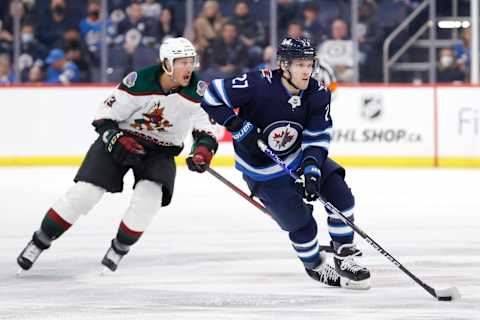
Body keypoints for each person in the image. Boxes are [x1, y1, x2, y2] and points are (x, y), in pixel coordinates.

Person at [17, 37, 218, 273]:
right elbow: (104, 116)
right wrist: (117, 138)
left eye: (190, 62)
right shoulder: (138, 82)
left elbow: (206, 129)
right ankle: (40, 240)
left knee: (149, 198)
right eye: (181, 62)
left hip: (161, 151)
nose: (188, 68)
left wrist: (202, 151)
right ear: (166, 64)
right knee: (84, 194)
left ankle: (120, 247)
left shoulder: (198, 92)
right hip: (122, 141)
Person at [200, 37, 371, 289]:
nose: (306, 70)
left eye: (309, 64)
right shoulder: (257, 83)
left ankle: (345, 254)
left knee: (342, 198)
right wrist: (236, 126)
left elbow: (317, 136)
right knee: (301, 225)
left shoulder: (319, 92)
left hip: (299, 155)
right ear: (284, 65)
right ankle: (314, 265)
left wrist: (311, 169)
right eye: (300, 64)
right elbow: (211, 95)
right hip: (262, 169)